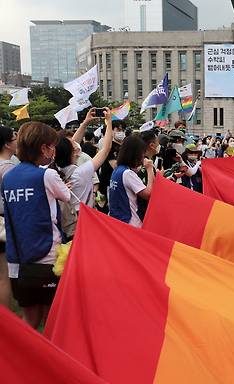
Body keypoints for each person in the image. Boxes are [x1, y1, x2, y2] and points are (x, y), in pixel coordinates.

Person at [2, 122, 70, 329]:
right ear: (43, 148)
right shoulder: (46, 174)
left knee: (29, 321)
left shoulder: (8, 177)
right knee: (52, 320)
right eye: (52, 146)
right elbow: (66, 196)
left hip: (17, 260)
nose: (54, 150)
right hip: (47, 257)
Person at [54, 108, 114, 239]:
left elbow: (66, 146)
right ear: (73, 152)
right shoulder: (80, 172)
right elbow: (106, 148)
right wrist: (109, 122)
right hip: (83, 224)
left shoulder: (54, 170)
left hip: (67, 226)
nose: (76, 145)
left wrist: (86, 122)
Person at [108, 135, 154, 228]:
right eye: (142, 153)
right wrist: (150, 169)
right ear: (136, 154)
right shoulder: (127, 174)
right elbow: (149, 195)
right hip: (131, 222)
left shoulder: (117, 170)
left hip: (117, 220)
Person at [0, 126, 18, 308]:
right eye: (15, 137)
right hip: (3, 223)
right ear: (7, 144)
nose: (17, 139)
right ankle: (5, 322)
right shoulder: (7, 168)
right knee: (3, 276)